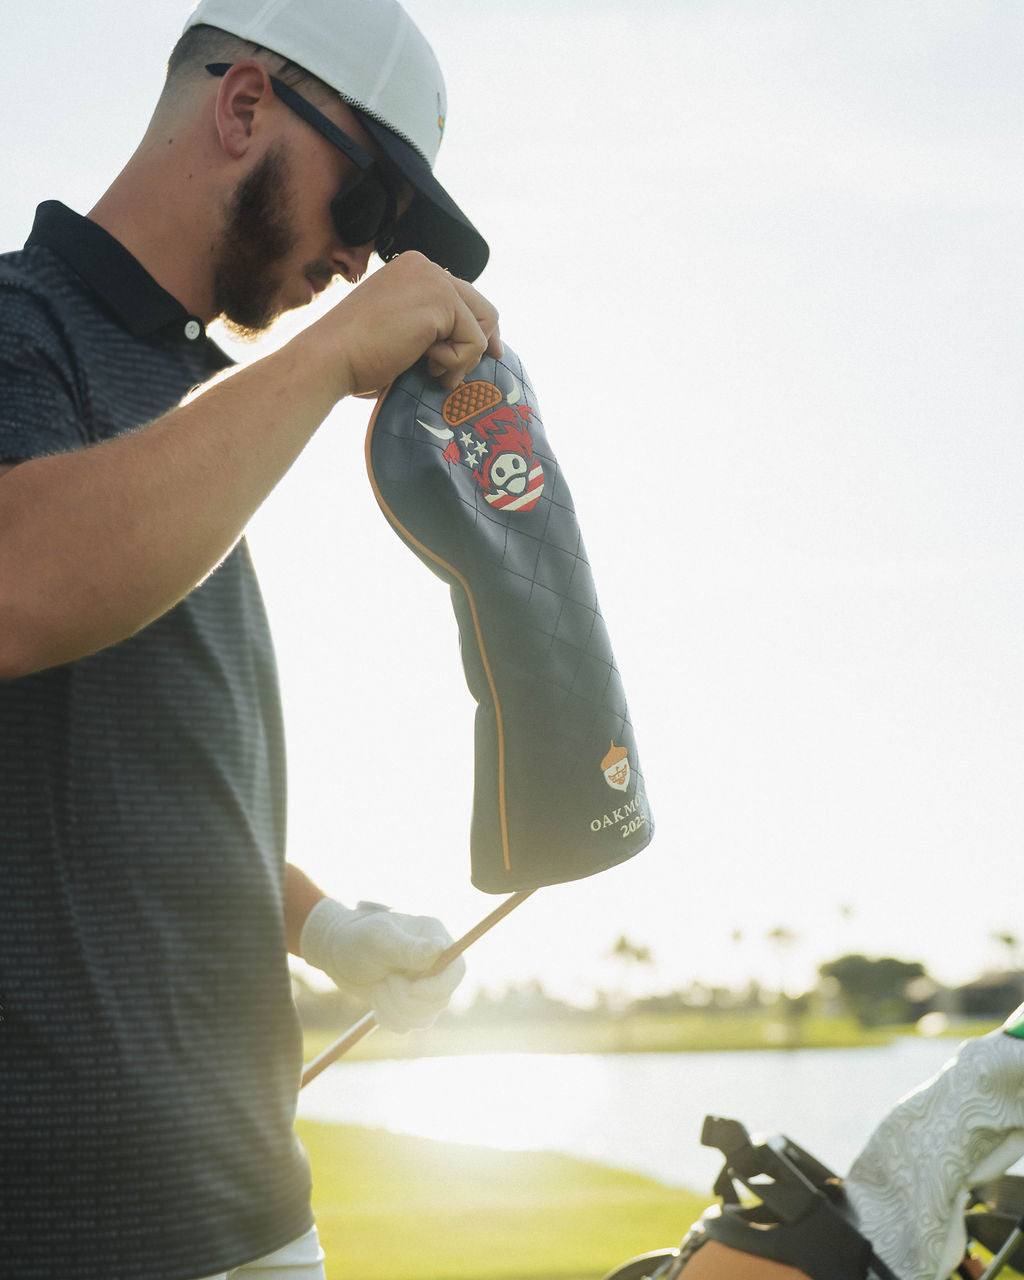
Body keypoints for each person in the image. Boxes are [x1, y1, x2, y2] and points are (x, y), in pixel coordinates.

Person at [0, 1, 501, 1276]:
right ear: (244, 107)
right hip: (80, 1230)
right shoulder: (20, 328)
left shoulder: (183, 406)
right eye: (367, 204)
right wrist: (330, 361)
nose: (360, 264)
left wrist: (323, 926)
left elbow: (121, 783)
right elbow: (19, 577)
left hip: (250, 1197)